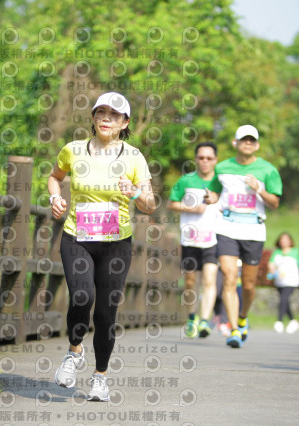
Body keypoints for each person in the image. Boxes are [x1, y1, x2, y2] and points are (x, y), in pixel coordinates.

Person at [48, 92, 156, 401]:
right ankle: (74, 352)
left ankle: (100, 377)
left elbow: (150, 204)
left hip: (116, 244)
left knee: (107, 313)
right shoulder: (73, 150)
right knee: (82, 295)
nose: (106, 118)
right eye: (101, 112)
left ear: (125, 122)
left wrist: (135, 191)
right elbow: (54, 178)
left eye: (114, 114)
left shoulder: (134, 157)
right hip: (77, 237)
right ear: (93, 117)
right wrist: (55, 197)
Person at [205, 124, 282, 348]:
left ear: (256, 145)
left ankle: (242, 317)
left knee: (248, 285)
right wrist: (211, 198)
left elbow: (275, 202)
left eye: (251, 140)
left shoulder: (268, 170)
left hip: (254, 229)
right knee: (229, 276)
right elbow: (215, 192)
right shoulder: (222, 167)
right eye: (243, 140)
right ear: (235, 143)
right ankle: (235, 330)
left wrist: (259, 188)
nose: (247, 143)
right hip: (227, 226)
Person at [168, 142, 220, 339]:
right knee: (190, 282)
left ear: (215, 160)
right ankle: (192, 318)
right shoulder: (185, 181)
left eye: (209, 158)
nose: (205, 161)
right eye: (201, 157)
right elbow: (171, 203)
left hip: (212, 239)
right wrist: (192, 208)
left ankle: (205, 321)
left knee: (209, 280)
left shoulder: (220, 183)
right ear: (196, 159)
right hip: (190, 239)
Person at [267, 232, 299, 334]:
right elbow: (271, 264)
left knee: (283, 298)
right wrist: (272, 271)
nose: (284, 242)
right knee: (285, 301)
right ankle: (293, 321)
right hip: (280, 281)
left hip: (291, 280)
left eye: (286, 240)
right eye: (282, 240)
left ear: (290, 241)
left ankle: (279, 321)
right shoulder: (277, 252)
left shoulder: (295, 252)